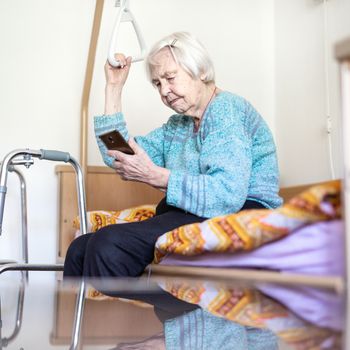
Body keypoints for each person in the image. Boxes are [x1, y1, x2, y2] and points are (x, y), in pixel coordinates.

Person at [63, 31, 282, 278]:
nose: (164, 91)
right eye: (157, 83)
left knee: (109, 244)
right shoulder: (178, 125)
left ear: (201, 70)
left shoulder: (226, 110)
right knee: (80, 249)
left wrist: (158, 176)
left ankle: (121, 316)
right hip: (194, 214)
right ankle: (83, 317)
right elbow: (120, 154)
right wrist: (114, 88)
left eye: (170, 78)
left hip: (240, 215)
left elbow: (226, 195)